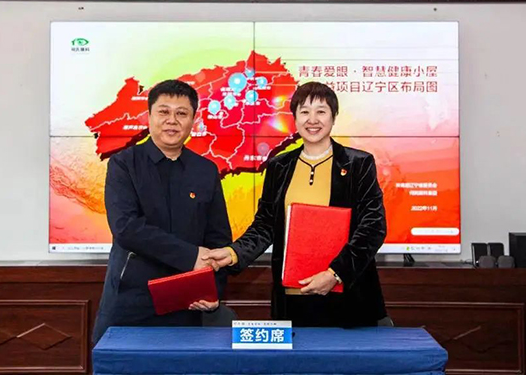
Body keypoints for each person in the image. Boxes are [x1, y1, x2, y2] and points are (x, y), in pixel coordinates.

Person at [205, 82, 390, 327]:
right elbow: (265, 225)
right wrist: (233, 253)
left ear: (334, 117)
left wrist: (335, 274)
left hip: (347, 295)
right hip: (293, 298)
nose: (312, 119)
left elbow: (373, 227)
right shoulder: (279, 166)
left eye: (321, 111)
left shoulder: (358, 164)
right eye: (304, 112)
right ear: (295, 118)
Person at [93, 80, 232, 344]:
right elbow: (126, 228)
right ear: (149, 116)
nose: (172, 121)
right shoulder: (124, 164)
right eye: (164, 112)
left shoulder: (205, 170)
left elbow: (218, 238)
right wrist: (190, 256)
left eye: (182, 113)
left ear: (193, 120)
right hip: (131, 302)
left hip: (187, 303)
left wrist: (213, 290)